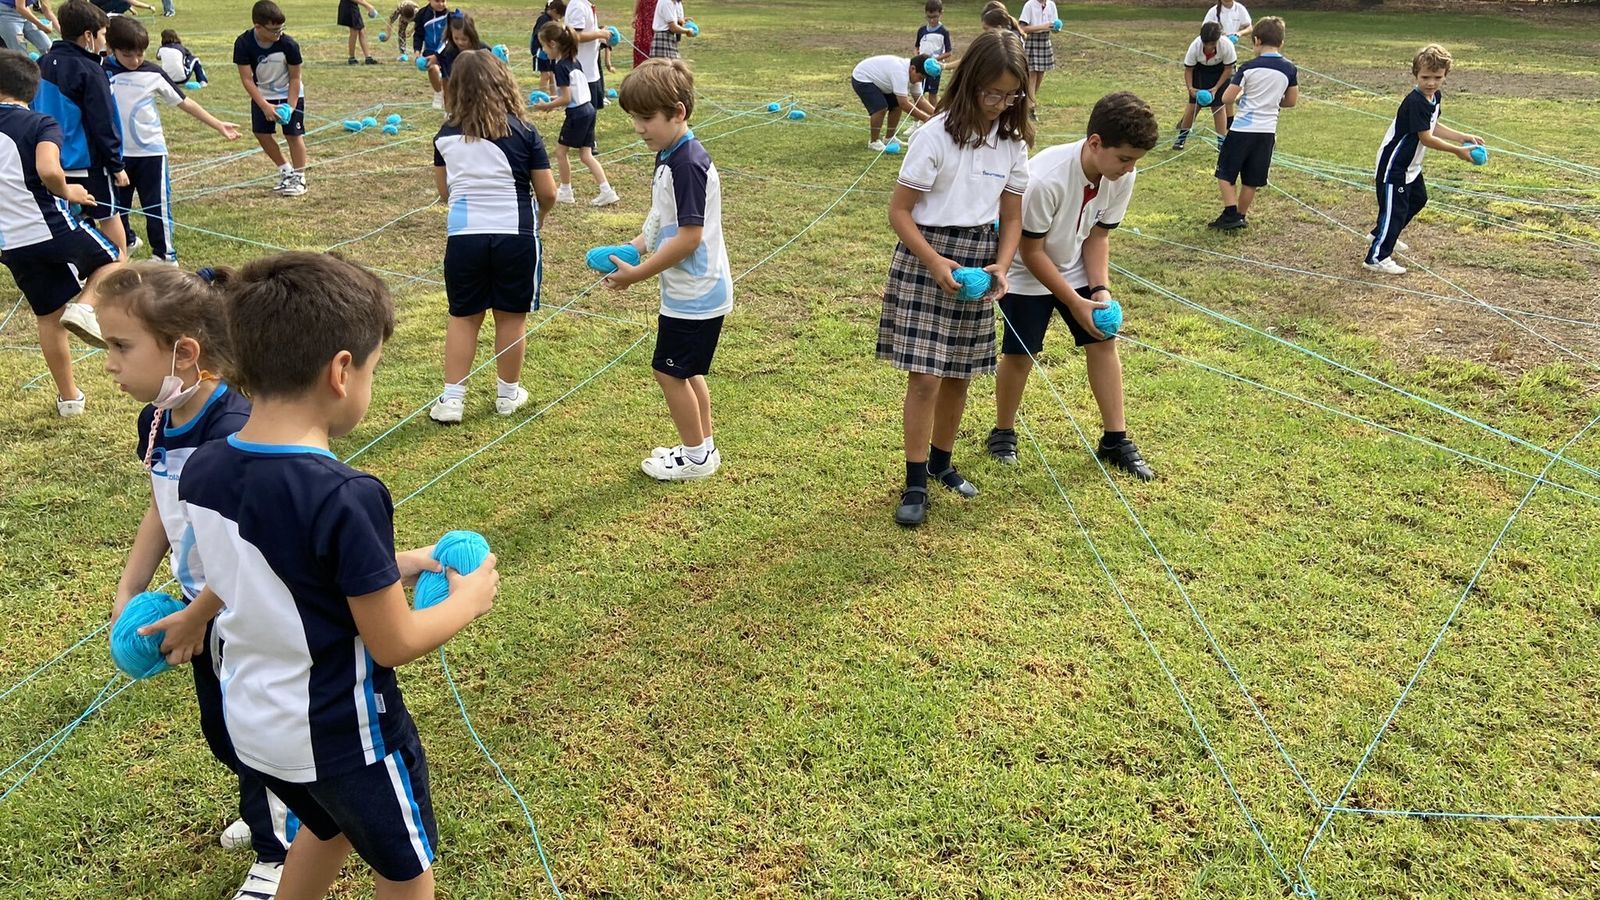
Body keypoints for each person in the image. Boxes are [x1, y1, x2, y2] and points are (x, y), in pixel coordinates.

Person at [178, 251, 499, 900]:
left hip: (255, 725)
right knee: (405, 873)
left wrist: (401, 563)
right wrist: (470, 599)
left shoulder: (204, 469)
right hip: (342, 736)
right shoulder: (345, 494)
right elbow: (394, 641)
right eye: (375, 371)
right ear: (342, 371)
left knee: (323, 831)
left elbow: (267, 567)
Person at [99, 263, 298, 900]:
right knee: (224, 729)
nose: (109, 365)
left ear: (185, 352)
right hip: (205, 607)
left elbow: (247, 548)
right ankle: (264, 800)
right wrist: (131, 584)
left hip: (248, 606)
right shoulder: (159, 419)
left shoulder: (231, 426)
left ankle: (279, 850)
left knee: (251, 729)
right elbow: (164, 502)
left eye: (121, 347)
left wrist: (199, 614)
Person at [876, 30, 1031, 527]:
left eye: (1011, 95)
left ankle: (943, 462)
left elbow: (1011, 218)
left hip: (979, 260)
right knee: (925, 377)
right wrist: (936, 263)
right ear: (969, 84)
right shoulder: (934, 134)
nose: (1001, 104)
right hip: (929, 256)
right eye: (993, 93)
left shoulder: (1012, 142)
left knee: (961, 372)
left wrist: (1002, 266)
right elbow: (900, 212)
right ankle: (916, 478)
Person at [989, 91, 1159, 481]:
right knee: (1021, 354)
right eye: (1125, 158)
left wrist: (1098, 291)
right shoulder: (1045, 179)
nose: (1130, 168)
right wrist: (1073, 303)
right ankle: (1002, 432)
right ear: (1096, 143)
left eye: (1135, 161)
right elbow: (1032, 253)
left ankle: (1115, 439)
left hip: (1077, 264)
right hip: (1025, 271)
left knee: (1103, 340)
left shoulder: (1121, 175)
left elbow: (1098, 237)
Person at [602, 58, 732, 481]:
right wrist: (634, 248)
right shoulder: (668, 153)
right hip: (688, 290)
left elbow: (689, 237)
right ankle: (703, 449)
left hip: (697, 292)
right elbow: (664, 222)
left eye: (646, 118)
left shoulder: (686, 164)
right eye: (633, 118)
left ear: (678, 112)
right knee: (685, 370)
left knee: (669, 370)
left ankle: (694, 459)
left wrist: (636, 275)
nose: (638, 127)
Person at [429, 50, 555, 424]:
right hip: (515, 236)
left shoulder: (445, 136)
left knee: (464, 316)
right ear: (504, 83)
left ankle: (452, 400)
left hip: (465, 238)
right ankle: (507, 394)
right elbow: (547, 192)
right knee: (511, 317)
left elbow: (444, 192)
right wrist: (541, 216)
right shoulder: (525, 131)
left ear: (458, 90)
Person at [0, 47, 119, 414]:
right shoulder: (40, 123)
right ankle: (84, 309)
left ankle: (70, 399)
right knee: (114, 261)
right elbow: (50, 171)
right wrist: (71, 191)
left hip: (11, 242)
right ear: (32, 92)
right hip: (51, 225)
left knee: (47, 316)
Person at [106, 16, 240, 263]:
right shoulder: (101, 71)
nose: (135, 60)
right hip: (117, 156)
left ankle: (165, 256)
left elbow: (184, 102)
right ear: (111, 49)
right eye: (127, 55)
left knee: (156, 206)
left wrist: (217, 124)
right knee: (117, 208)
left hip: (151, 154)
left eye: (140, 54)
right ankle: (127, 242)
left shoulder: (153, 73)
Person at [1364, 43, 1482, 275]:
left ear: (1445, 76)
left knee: (1418, 199)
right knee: (1395, 210)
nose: (1431, 83)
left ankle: (1384, 233)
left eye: (1437, 77)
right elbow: (1426, 137)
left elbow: (1433, 126)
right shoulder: (1416, 101)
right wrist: (1458, 151)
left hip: (1412, 165)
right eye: (1425, 77)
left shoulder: (1434, 97)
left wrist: (1463, 137)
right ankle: (1376, 257)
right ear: (1415, 74)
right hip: (1395, 166)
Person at [33, 0, 129, 255]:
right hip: (89, 163)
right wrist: (116, 164)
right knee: (108, 215)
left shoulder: (41, 63)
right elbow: (104, 121)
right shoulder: (91, 70)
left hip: (51, 162)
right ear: (88, 35)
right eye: (103, 35)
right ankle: (122, 275)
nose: (105, 42)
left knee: (71, 221)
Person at [1208, 15, 1293, 230]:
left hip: (1242, 129)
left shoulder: (1248, 67)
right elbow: (1291, 101)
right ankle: (1241, 215)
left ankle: (1230, 213)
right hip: (1267, 132)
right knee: (1251, 178)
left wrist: (1241, 94)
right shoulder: (1289, 69)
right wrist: (1272, 100)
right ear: (1281, 43)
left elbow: (1227, 98)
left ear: (1256, 40)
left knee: (1225, 171)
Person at [534, 21, 616, 206]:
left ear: (553, 44)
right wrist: (552, 98)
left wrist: (547, 106)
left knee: (560, 152)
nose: (544, 51)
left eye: (544, 46)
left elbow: (565, 98)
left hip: (577, 114)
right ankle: (606, 190)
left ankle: (565, 190)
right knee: (586, 155)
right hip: (588, 109)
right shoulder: (574, 60)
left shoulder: (560, 66)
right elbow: (571, 92)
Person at [233, 0, 308, 196]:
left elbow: (295, 77)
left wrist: (290, 108)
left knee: (293, 135)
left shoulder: (289, 44)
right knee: (262, 134)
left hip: (290, 94)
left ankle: (299, 178)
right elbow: (247, 79)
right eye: (274, 30)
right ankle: (286, 171)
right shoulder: (243, 43)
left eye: (281, 28)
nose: (279, 33)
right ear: (258, 26)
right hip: (262, 95)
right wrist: (265, 105)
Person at [850, 53, 935, 153]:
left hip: (881, 82)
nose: (919, 81)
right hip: (862, 77)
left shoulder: (915, 76)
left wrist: (939, 114)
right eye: (920, 77)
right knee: (881, 108)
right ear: (912, 68)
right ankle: (874, 142)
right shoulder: (900, 72)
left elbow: (920, 100)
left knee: (896, 105)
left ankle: (889, 138)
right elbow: (904, 103)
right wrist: (926, 118)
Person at [1172, 20, 1234, 150]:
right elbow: (1189, 70)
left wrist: (1216, 88)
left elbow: (1229, 69)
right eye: (1206, 43)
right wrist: (1190, 88)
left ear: (1218, 39)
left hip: (1221, 73)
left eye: (1212, 44)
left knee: (1218, 107)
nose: (1209, 47)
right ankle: (1181, 138)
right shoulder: (1195, 46)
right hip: (1200, 72)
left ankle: (1221, 142)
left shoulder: (1226, 45)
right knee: (1193, 106)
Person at [547, 0, 607, 115]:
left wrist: (601, 33)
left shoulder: (586, 4)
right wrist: (600, 34)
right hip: (583, 71)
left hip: (590, 69)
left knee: (590, 116)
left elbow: (587, 31)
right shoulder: (578, 6)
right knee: (582, 116)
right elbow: (576, 35)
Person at [1016, 0, 1056, 117]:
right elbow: (1022, 28)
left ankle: (1028, 102)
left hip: (1044, 40)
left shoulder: (1051, 5)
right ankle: (1030, 108)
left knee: (1040, 74)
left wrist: (1056, 28)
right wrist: (1042, 26)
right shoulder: (1029, 5)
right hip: (1031, 41)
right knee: (1031, 75)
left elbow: (1053, 26)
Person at [914, 0, 952, 106]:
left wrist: (934, 60)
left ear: (941, 13)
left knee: (932, 94)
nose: (932, 20)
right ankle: (917, 121)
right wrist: (917, 58)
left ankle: (935, 116)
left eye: (935, 17)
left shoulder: (943, 32)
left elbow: (948, 52)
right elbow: (916, 47)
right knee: (918, 93)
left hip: (934, 68)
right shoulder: (921, 30)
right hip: (921, 67)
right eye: (929, 17)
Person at [410, 0, 447, 108]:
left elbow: (448, 39)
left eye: (443, 1)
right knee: (432, 69)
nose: (441, 4)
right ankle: (438, 93)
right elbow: (418, 34)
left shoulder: (450, 16)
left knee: (447, 79)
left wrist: (438, 55)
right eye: (437, 1)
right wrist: (417, 51)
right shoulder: (422, 14)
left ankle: (449, 108)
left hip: (445, 51)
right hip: (429, 52)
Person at [432, 11, 483, 84]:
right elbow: (446, 77)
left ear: (472, 35)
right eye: (456, 38)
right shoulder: (448, 51)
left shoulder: (481, 49)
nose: (460, 42)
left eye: (464, 39)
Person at [337, 0, 380, 66]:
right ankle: (351, 58)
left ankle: (368, 58)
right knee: (354, 31)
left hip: (353, 6)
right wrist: (368, 6)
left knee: (362, 31)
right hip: (349, 7)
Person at [530, 1, 552, 93]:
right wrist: (544, 47)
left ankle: (554, 96)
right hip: (540, 51)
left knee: (552, 74)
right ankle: (541, 96)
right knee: (545, 74)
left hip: (550, 51)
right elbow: (539, 34)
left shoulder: (552, 20)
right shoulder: (543, 19)